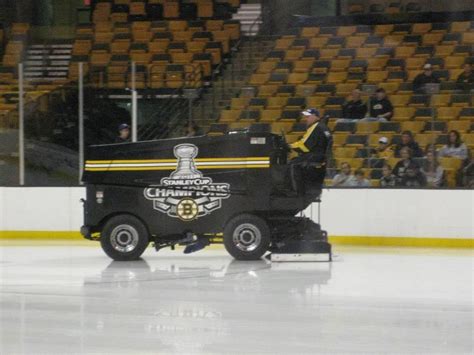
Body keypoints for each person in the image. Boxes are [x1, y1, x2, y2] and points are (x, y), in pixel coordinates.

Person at [287, 108, 332, 195]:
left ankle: (295, 191)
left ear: (315, 117)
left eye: (308, 116)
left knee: (291, 164)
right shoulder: (323, 127)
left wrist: (289, 146)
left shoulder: (316, 127)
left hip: (314, 157)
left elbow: (304, 145)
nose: (306, 119)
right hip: (320, 158)